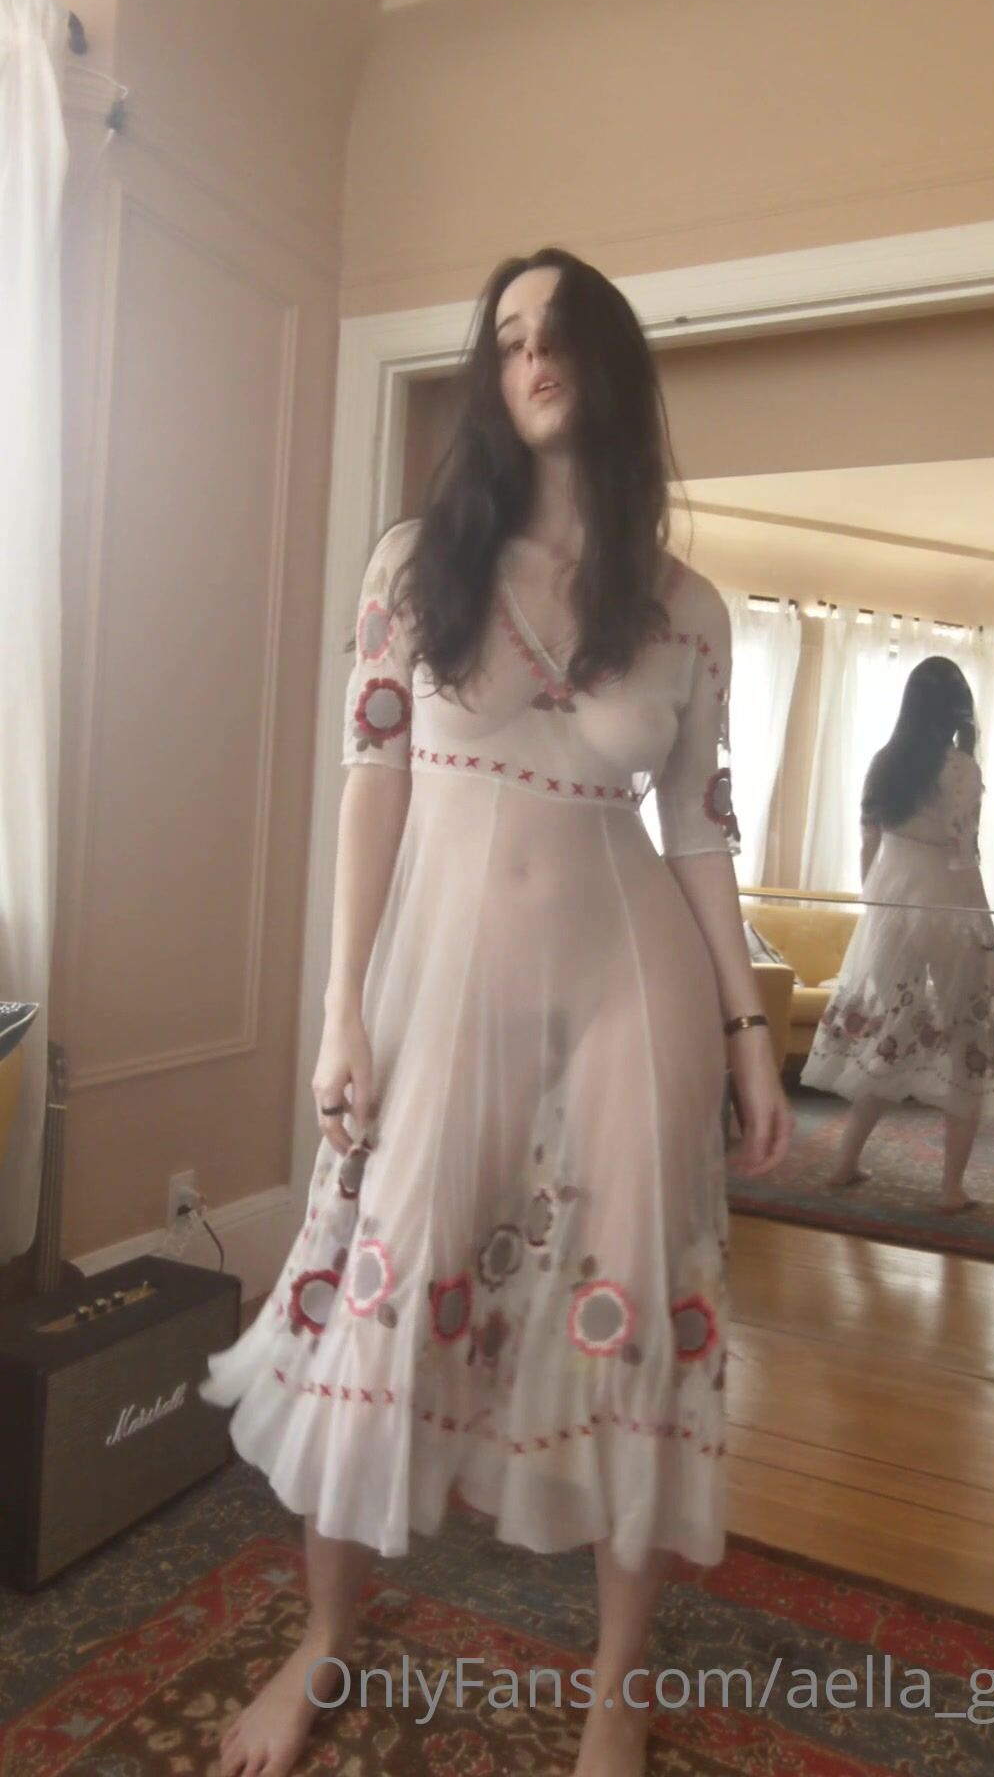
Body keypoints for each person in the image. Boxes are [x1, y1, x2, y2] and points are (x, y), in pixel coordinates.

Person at [201, 247, 792, 1777]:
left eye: (560, 331)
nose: (534, 356)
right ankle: (324, 1637)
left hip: (632, 990)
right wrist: (340, 1009)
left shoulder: (686, 608)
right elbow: (371, 786)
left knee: (634, 1322)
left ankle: (615, 1684)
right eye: (509, 336)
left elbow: (701, 834)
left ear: (610, 363)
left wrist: (749, 1035)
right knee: (382, 1304)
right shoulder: (416, 566)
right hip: (442, 985)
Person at [801, 656, 994, 1213]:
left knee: (891, 1032)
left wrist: (878, 911)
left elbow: (867, 846)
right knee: (968, 1038)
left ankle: (844, 1163)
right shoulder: (960, 769)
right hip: (943, 909)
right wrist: (992, 947)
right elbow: (965, 864)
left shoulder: (884, 762)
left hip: (891, 907)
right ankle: (950, 1190)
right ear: (958, 709)